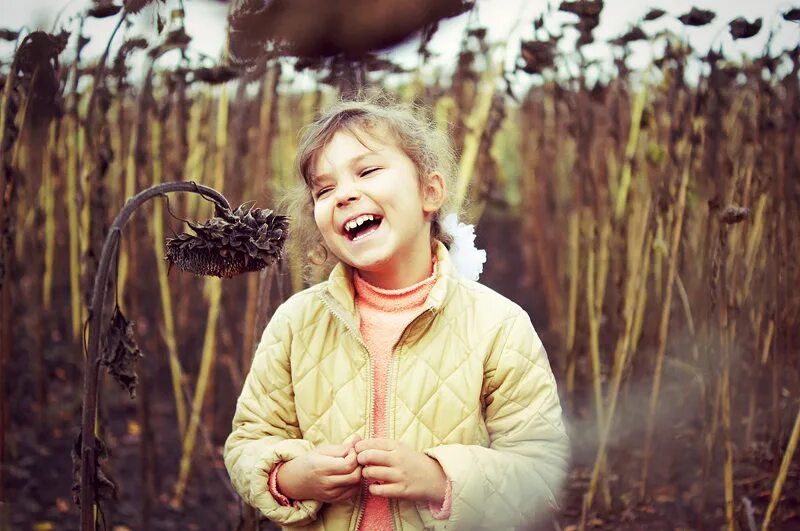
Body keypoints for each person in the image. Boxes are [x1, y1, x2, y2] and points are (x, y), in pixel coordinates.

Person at [224, 95, 569, 531]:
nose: (345, 194)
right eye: (324, 190)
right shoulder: (297, 322)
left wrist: (439, 478)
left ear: (430, 192)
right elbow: (248, 441)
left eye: (367, 171)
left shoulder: (498, 325)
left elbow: (540, 472)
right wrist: (292, 476)